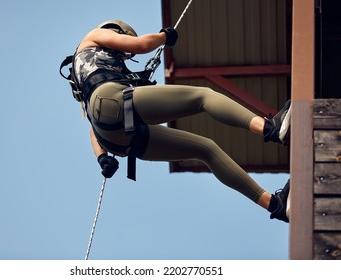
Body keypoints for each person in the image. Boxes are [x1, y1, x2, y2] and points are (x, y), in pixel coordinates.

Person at [62, 20, 291, 223]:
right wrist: (164, 36)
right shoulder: (94, 37)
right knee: (204, 96)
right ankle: (271, 129)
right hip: (115, 101)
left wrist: (103, 158)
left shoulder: (82, 79)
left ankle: (275, 205)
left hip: (114, 138)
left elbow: (94, 124)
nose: (124, 56)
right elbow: (142, 45)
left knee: (206, 149)